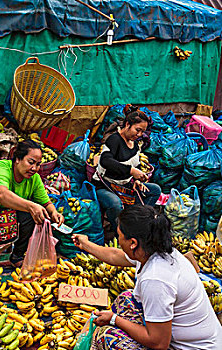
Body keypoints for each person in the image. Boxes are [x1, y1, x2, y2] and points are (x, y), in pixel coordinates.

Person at [72, 205, 222, 350]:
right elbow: (114, 255)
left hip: (192, 347)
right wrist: (85, 245)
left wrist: (114, 320)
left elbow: (159, 343)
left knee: (106, 337)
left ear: (133, 243)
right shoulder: (155, 250)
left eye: (119, 236)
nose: (118, 240)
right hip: (191, 334)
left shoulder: (155, 280)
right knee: (126, 298)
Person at [92, 105, 161, 237]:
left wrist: (136, 180)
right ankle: (121, 232)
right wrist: (131, 171)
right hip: (105, 186)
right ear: (128, 124)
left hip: (125, 185)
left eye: (142, 132)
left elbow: (135, 164)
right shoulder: (114, 140)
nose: (139, 134)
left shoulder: (135, 143)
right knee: (115, 203)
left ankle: (136, 222)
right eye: (137, 130)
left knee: (155, 190)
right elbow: (105, 161)